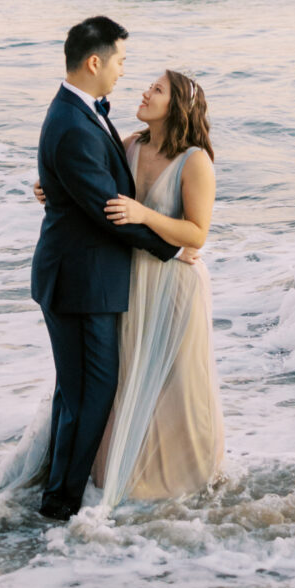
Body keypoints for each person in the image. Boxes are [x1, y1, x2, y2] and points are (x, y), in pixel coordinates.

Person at [30, 15, 182, 522]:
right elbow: (109, 211)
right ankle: (60, 506)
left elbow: (85, 189)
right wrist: (173, 247)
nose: (122, 71)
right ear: (94, 61)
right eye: (119, 60)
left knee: (77, 394)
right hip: (81, 285)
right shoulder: (73, 124)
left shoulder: (79, 114)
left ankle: (58, 491)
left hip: (80, 278)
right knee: (89, 395)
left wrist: (55, 192)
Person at [94, 68, 224, 504]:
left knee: (176, 383)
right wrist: (50, 192)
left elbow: (196, 234)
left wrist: (145, 215)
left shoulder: (195, 161)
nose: (145, 92)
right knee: (130, 376)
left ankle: (184, 480)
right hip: (132, 280)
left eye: (157, 90)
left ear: (178, 106)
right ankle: (132, 476)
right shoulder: (130, 145)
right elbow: (100, 196)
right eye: (149, 87)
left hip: (175, 285)